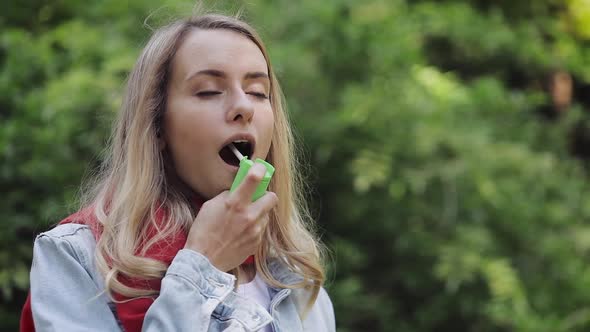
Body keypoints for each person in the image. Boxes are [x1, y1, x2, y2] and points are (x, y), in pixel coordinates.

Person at [20, 12, 335, 332]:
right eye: (209, 91)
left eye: (257, 91)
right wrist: (203, 265)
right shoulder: (75, 257)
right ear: (157, 126)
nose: (245, 107)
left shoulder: (299, 281)